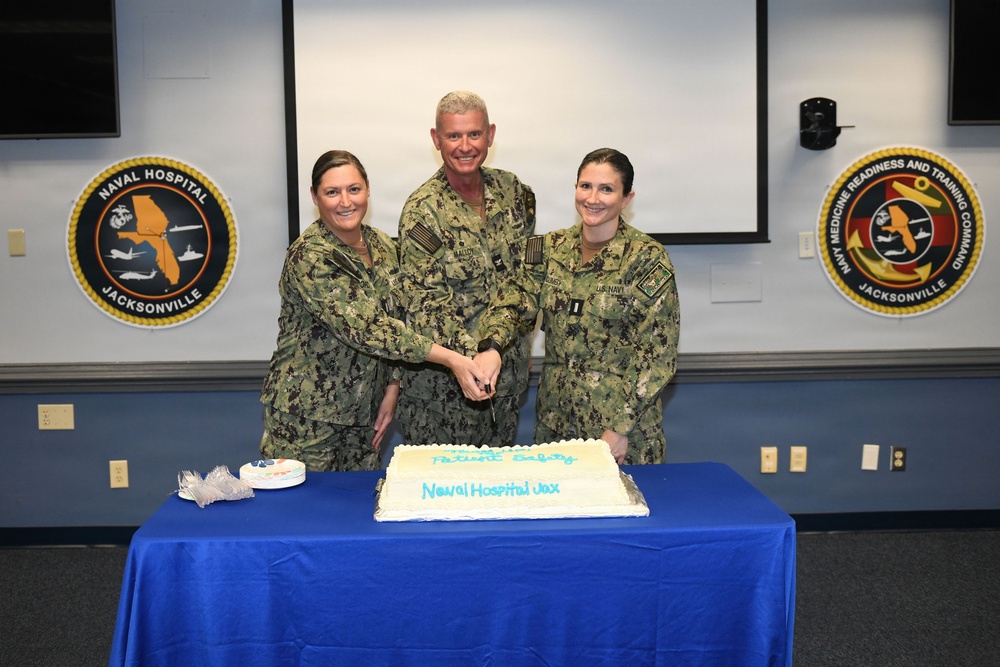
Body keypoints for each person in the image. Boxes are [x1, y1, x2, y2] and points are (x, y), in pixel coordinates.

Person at [260, 150, 489, 472]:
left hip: (364, 411)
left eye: (353, 189)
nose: (345, 201)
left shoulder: (382, 245)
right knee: (297, 513)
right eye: (332, 192)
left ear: (367, 189)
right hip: (306, 415)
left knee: (357, 511)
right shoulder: (311, 255)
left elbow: (405, 313)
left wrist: (392, 387)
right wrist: (452, 359)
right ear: (315, 196)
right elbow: (370, 329)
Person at [475, 148, 680, 464]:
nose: (593, 198)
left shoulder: (647, 260)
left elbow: (656, 356)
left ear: (626, 199)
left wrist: (619, 429)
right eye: (586, 186)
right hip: (556, 428)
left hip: (619, 433)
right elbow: (514, 302)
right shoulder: (547, 249)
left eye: (607, 189)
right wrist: (492, 346)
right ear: (575, 188)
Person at [396, 91, 536, 446]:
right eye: (453, 136)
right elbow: (426, 304)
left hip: (504, 380)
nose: (465, 146)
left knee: (497, 492)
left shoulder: (515, 193)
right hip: (442, 396)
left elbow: (526, 280)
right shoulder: (422, 211)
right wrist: (475, 357)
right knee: (442, 496)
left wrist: (498, 347)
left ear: (490, 135)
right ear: (436, 139)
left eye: (474, 134)